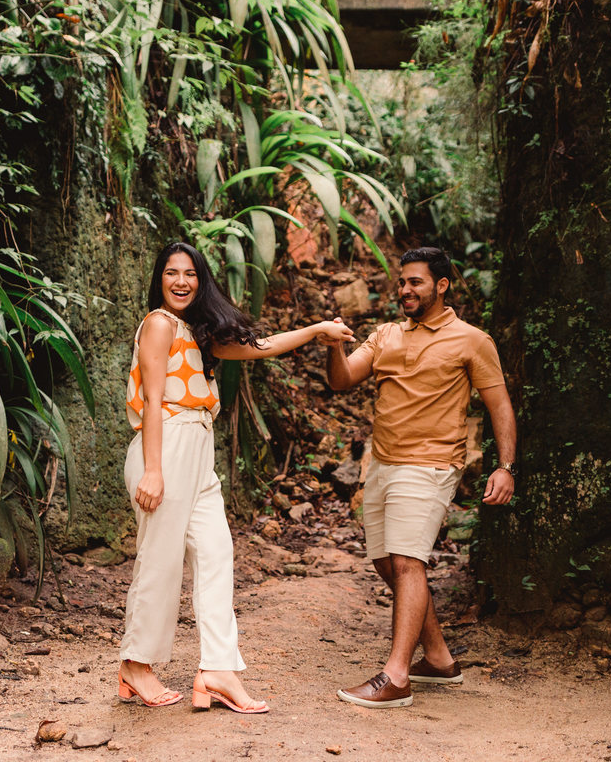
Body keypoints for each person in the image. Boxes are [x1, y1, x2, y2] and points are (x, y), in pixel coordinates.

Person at [118, 240, 355, 714]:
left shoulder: (196, 331)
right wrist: (155, 470)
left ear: (202, 280)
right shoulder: (160, 325)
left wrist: (315, 331)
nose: (181, 281)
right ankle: (135, 664)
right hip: (168, 444)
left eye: (190, 273)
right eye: (171, 273)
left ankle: (218, 670)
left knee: (216, 550)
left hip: (197, 447)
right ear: (158, 280)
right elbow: (153, 403)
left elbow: (259, 346)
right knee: (161, 558)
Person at [324, 246, 517, 708]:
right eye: (402, 282)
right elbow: (342, 379)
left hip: (431, 464)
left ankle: (396, 678)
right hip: (383, 463)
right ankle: (438, 658)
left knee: (409, 562)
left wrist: (505, 466)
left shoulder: (472, 340)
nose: (405, 290)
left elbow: (499, 405)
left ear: (441, 285)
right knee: (386, 563)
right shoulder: (387, 334)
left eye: (415, 282)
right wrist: (334, 344)